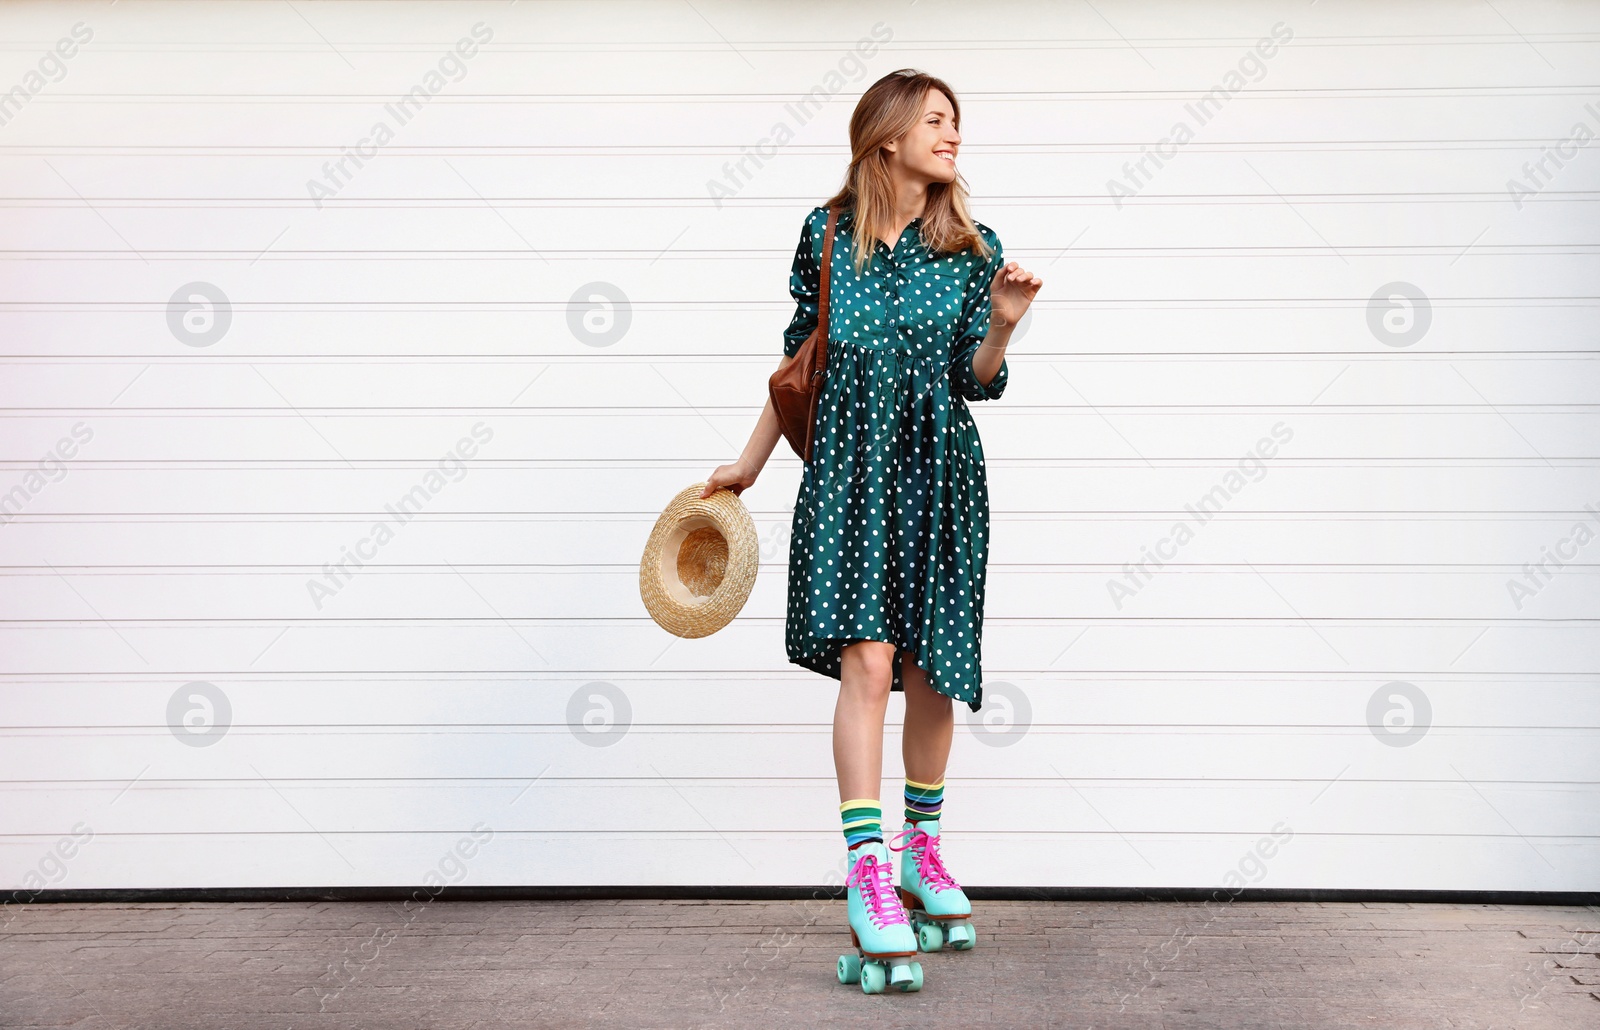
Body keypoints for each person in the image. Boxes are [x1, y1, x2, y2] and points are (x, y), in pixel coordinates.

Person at [702, 68, 1042, 986]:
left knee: (934, 667)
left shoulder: (974, 247)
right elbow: (800, 359)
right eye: (937, 121)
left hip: (940, 479)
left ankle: (919, 850)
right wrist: (748, 463)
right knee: (870, 661)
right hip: (853, 478)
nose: (954, 136)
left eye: (957, 124)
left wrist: (1003, 325)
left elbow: (976, 379)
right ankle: (864, 869)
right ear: (887, 135)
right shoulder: (825, 234)